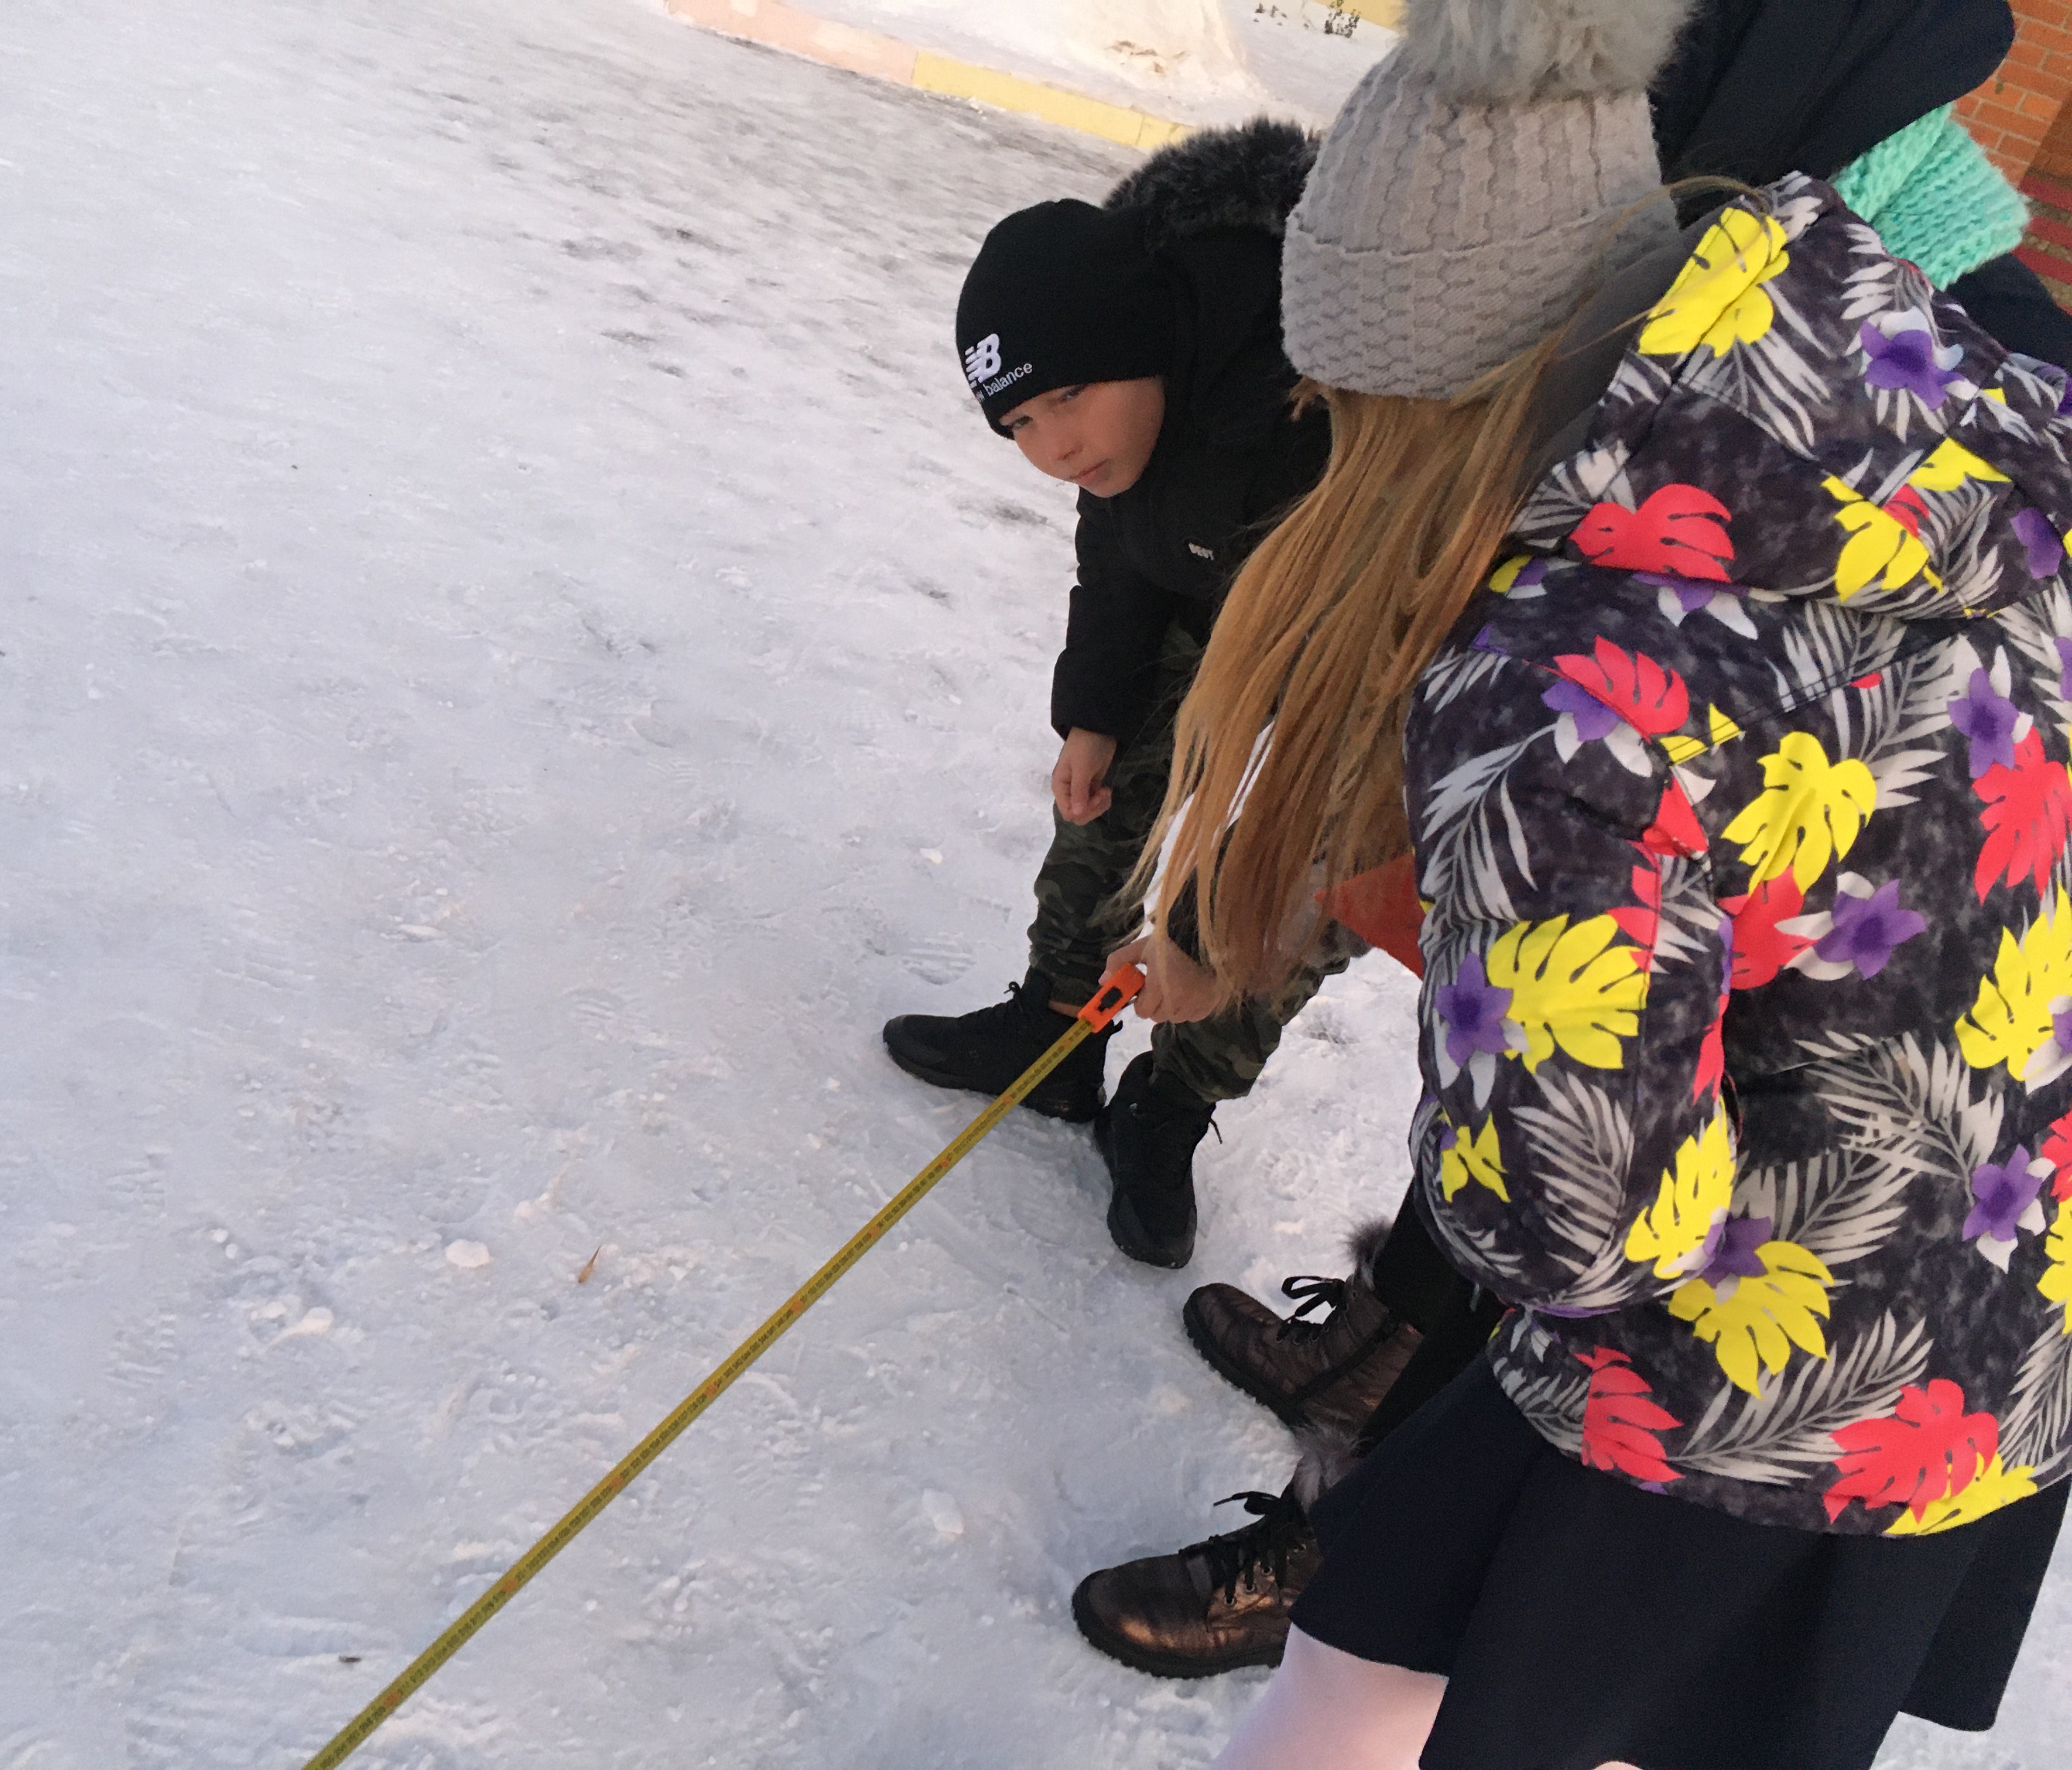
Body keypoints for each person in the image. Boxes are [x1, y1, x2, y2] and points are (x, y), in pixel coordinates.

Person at [1091, 0, 2072, 1761]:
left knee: (1395, 1698)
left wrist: (1499, 1046)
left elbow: (1580, 1220)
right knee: (1371, 1656)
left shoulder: (1567, 693)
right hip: (2011, 1319)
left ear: (1429, 391)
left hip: (1751, 1390)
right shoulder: (1968, 451)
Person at [879, 124, 1365, 1271]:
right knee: (1111, 768)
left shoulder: (1317, 399)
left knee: (1315, 886)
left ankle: (1171, 1098)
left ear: (1142, 341)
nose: (1051, 447)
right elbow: (1120, 558)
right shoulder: (1131, 424)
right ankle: (1055, 1031)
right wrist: (1093, 715)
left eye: (1066, 397)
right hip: (1214, 576)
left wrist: (1201, 935)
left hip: (1368, 654)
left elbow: (1349, 757)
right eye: (1019, 424)